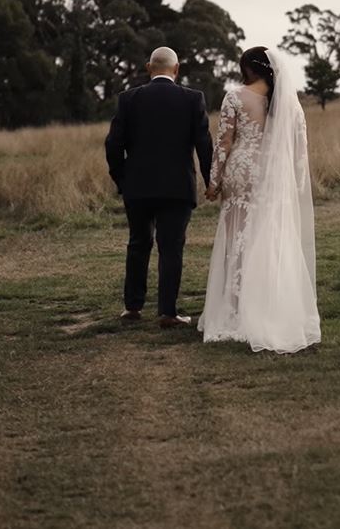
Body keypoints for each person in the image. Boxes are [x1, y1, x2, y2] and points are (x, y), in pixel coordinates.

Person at [198, 46, 321, 353]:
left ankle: (237, 311)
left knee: (237, 239)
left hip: (241, 172)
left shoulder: (235, 97)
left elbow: (224, 142)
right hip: (273, 176)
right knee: (269, 238)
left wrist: (213, 181)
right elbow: (299, 151)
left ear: (247, 68)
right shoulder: (289, 104)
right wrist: (293, 183)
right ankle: (268, 307)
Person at [103, 47, 212, 327]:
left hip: (137, 187)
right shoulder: (192, 99)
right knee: (171, 247)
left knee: (138, 243)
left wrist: (122, 178)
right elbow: (204, 143)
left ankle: (133, 307)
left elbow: (113, 144)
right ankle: (167, 312)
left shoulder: (128, 99)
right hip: (178, 187)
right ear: (177, 70)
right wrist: (211, 179)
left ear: (149, 67)